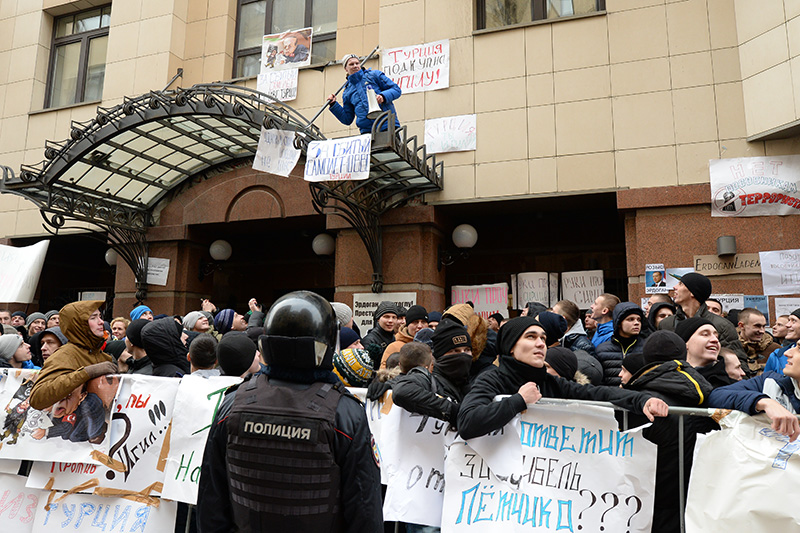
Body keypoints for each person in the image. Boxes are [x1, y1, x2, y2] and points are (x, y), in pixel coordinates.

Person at [197, 290, 382, 532]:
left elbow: (211, 504)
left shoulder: (233, 404)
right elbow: (365, 512)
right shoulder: (345, 413)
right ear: (327, 344)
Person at [456, 317, 669, 440]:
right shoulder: (491, 380)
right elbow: (467, 423)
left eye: (543, 338)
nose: (540, 343)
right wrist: (518, 401)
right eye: (531, 337)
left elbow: (597, 392)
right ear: (510, 346)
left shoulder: (549, 382)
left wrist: (642, 400)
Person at [29, 301, 116, 410]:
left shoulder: (104, 357)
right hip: (67, 424)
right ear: (79, 324)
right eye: (93, 318)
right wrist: (86, 373)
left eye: (100, 316)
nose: (101, 322)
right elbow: (37, 398)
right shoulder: (65, 355)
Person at [708, 341, 800, 441]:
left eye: (799, 349)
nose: (787, 353)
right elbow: (716, 396)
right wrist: (763, 401)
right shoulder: (770, 381)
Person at [658, 272, 748, 373]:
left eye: (680, 284)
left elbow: (740, 365)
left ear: (692, 293)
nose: (674, 287)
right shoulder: (666, 324)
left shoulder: (722, 326)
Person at [392, 321, 474, 429]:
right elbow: (402, 391)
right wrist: (450, 410)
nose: (463, 355)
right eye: (455, 351)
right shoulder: (430, 380)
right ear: (440, 355)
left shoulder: (476, 379)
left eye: (467, 350)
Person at [328, 53, 402, 134]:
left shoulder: (374, 75)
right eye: (351, 64)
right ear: (346, 68)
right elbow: (347, 119)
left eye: (357, 63)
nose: (355, 66)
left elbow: (396, 90)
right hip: (367, 132)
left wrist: (383, 96)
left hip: (386, 125)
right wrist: (334, 104)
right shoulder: (347, 92)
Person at [675, 317, 736, 389]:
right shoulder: (668, 382)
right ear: (684, 343)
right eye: (705, 334)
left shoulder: (733, 388)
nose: (715, 340)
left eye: (717, 337)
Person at [595, 303, 646, 386]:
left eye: (639, 319)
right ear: (619, 323)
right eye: (630, 319)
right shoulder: (602, 350)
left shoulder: (646, 347)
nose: (636, 323)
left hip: (638, 397)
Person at [736, 308, 779, 375]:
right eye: (757, 326)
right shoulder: (731, 348)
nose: (762, 331)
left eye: (764, 326)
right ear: (741, 326)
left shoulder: (775, 350)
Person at [764, 309, 800, 375]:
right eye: (789, 320)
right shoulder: (778, 355)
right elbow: (765, 382)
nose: (787, 325)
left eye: (793, 321)